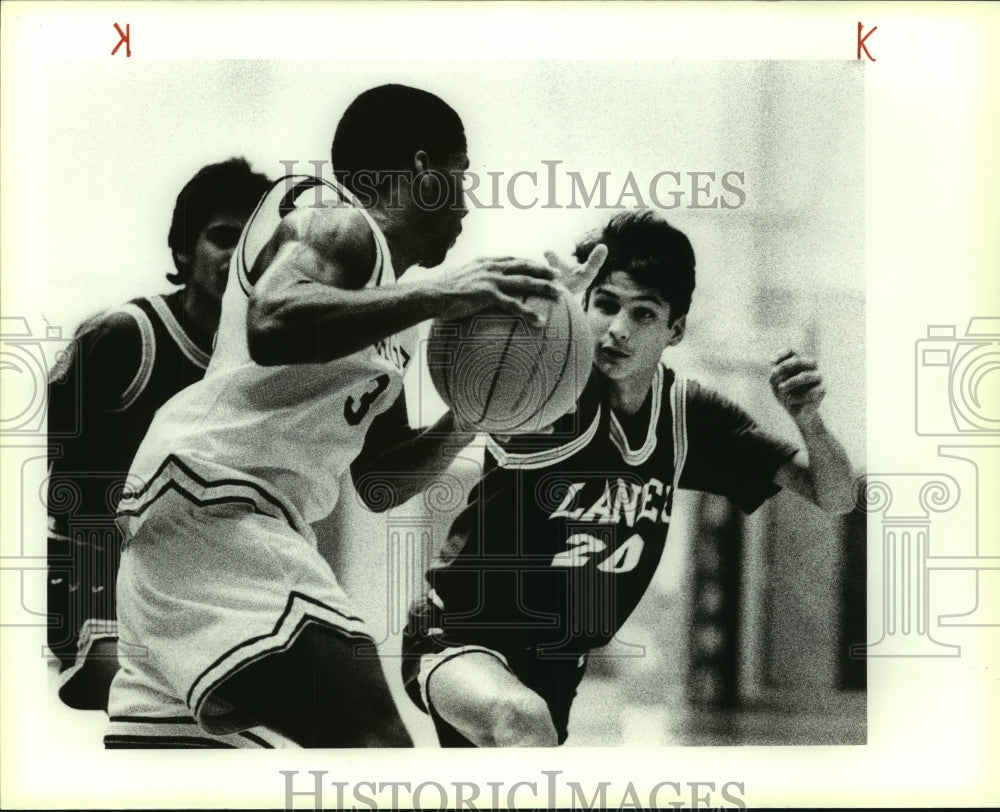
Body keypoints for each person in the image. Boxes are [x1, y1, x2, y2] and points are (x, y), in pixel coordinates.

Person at [105, 83, 603, 749]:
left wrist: (475, 412)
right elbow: (271, 320)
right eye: (461, 180)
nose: (464, 205)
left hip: (196, 517)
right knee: (378, 752)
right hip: (220, 504)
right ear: (424, 173)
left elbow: (379, 482)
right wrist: (441, 292)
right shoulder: (336, 220)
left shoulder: (386, 317)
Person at [401, 209, 857, 747]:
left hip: (558, 659)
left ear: (676, 330)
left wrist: (807, 419)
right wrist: (541, 319)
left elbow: (836, 496)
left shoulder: (689, 416)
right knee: (519, 722)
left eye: (643, 315)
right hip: (461, 631)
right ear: (585, 305)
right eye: (606, 305)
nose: (617, 329)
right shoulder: (550, 383)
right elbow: (488, 374)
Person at [47, 158, 272, 712]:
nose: (239, 256)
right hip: (95, 579)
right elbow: (60, 497)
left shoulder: (264, 368)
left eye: (255, 243)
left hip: (199, 592)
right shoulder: (125, 338)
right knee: (206, 700)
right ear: (181, 251)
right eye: (222, 238)